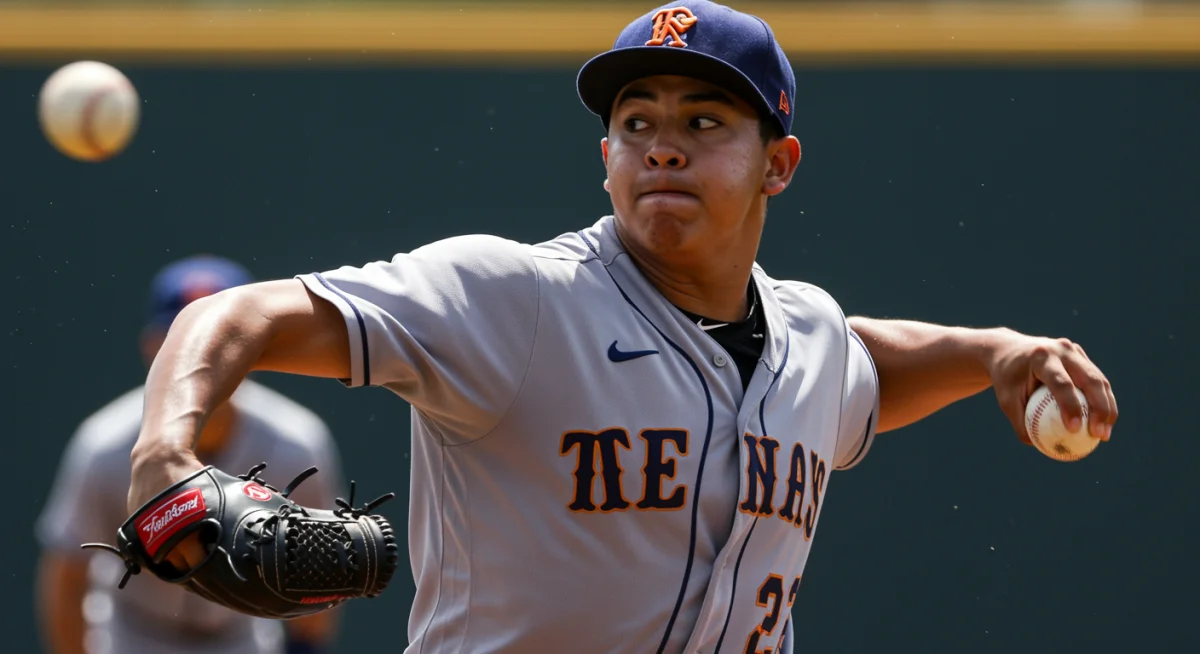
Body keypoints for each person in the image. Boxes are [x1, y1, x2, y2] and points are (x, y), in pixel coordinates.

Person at [123, 2, 1119, 653]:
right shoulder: (512, 299)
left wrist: (997, 353)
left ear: (779, 164)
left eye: (703, 123)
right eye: (637, 123)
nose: (662, 150)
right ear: (605, 157)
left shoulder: (808, 339)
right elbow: (233, 314)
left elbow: (865, 366)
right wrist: (163, 451)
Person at [35, 255, 345, 654]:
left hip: (243, 639)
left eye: (222, 342)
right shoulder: (106, 446)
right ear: (151, 348)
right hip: (132, 637)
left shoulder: (296, 443)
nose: (203, 358)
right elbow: (67, 576)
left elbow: (318, 572)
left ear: (258, 349)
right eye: (180, 342)